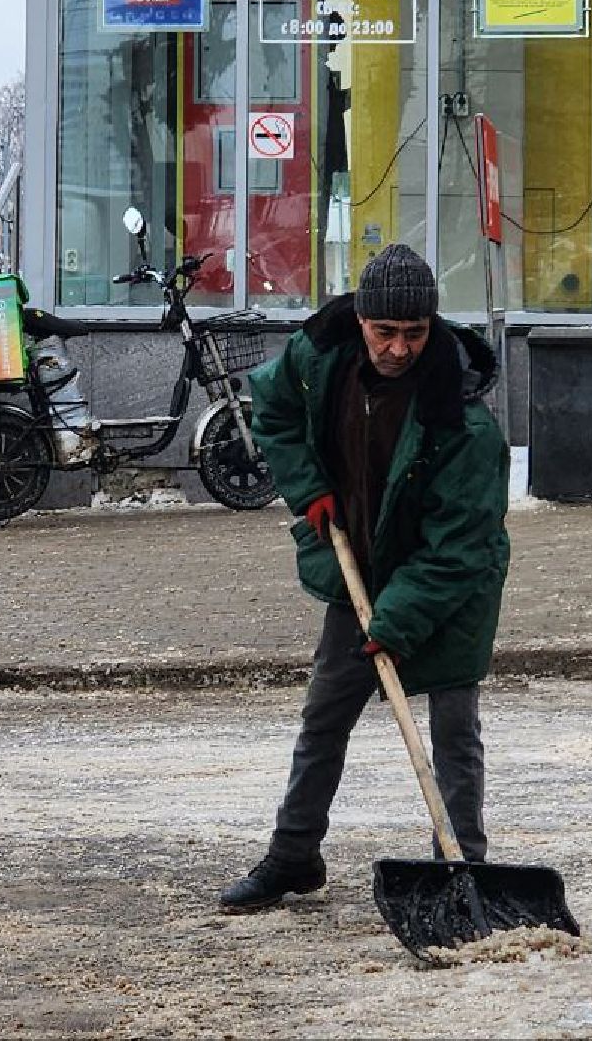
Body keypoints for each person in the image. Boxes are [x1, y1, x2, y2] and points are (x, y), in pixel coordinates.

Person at [220, 243, 509, 913]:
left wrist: (398, 621)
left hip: (447, 589)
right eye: (386, 333)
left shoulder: (460, 419)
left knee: (452, 732)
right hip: (356, 568)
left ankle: (458, 867)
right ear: (361, 322)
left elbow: (459, 547)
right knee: (323, 716)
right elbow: (274, 413)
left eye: (414, 334)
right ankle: (293, 855)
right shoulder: (319, 357)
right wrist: (307, 489)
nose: (400, 349)